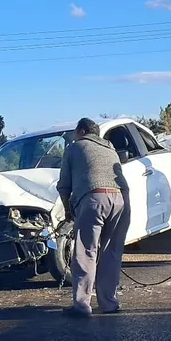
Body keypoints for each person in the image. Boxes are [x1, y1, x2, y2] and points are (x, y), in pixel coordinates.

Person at [56, 118, 130, 318]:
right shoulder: (110, 148)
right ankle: (109, 303)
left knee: (86, 252)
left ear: (81, 131)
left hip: (94, 198)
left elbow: (64, 185)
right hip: (121, 200)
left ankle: (82, 306)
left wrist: (68, 210)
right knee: (111, 252)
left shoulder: (75, 147)